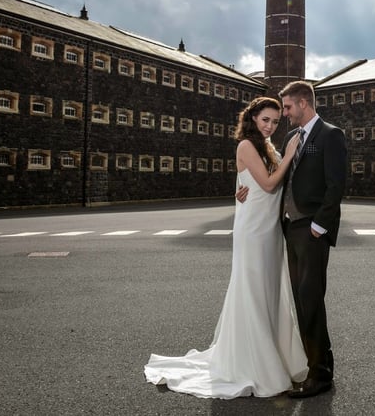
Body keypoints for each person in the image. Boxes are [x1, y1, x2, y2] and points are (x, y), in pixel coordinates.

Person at [144, 96, 308, 398]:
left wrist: (246, 187)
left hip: (270, 229)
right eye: (265, 120)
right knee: (253, 290)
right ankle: (254, 364)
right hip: (254, 231)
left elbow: (267, 185)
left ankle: (273, 357)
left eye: (275, 121)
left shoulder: (267, 146)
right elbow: (269, 184)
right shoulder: (246, 145)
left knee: (269, 291)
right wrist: (289, 154)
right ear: (253, 118)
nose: (271, 126)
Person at [238, 80, 347, 399]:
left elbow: (336, 185)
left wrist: (319, 226)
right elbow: (277, 180)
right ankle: (315, 366)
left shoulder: (331, 135)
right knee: (301, 300)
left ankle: (320, 375)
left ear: (303, 103)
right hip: (289, 229)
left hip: (312, 230)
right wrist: (244, 189)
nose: (283, 114)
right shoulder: (289, 138)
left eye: (286, 108)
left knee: (311, 299)